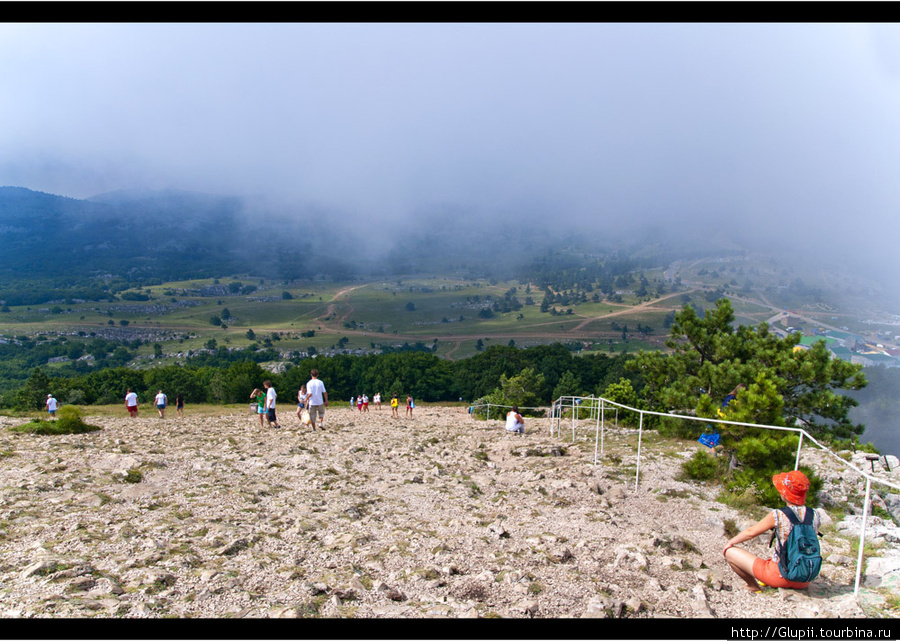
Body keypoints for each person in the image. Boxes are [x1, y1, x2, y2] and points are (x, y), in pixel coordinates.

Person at [723, 470, 821, 593]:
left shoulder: (779, 514)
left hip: (780, 575)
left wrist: (730, 543)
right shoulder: (815, 515)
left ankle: (753, 586)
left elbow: (751, 532)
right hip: (804, 578)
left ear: (785, 494)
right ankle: (770, 579)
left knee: (730, 552)